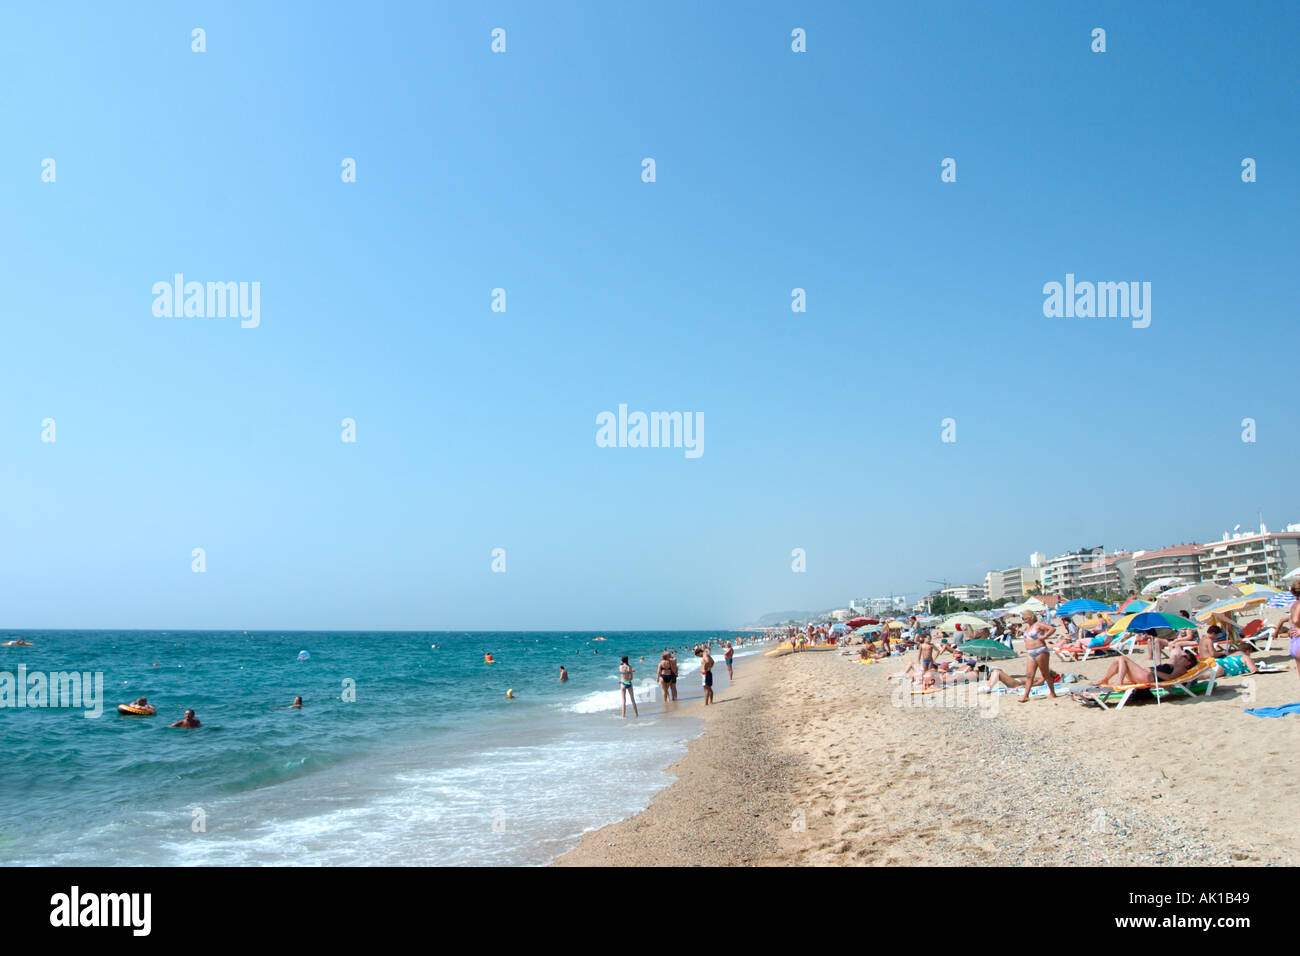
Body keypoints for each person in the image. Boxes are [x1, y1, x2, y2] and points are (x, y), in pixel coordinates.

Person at [1019, 611, 1058, 703]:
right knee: (1029, 675)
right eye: (1023, 618)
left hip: (1040, 650)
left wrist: (1045, 636)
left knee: (1045, 673)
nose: (1024, 620)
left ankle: (1052, 693)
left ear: (1031, 617)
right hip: (1030, 652)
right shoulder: (1027, 628)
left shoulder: (1038, 624)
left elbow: (1052, 629)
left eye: (1025, 618)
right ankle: (1026, 696)